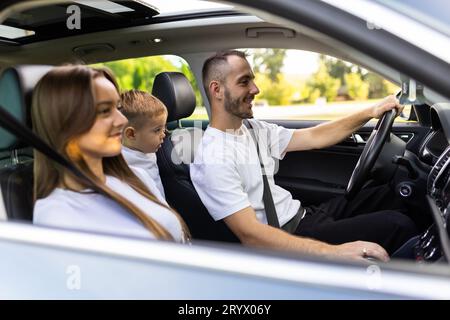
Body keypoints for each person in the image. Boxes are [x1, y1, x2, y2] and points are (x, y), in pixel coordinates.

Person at [191, 50, 418, 262]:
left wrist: (370, 112)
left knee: (398, 192)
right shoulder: (212, 157)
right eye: (244, 81)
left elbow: (313, 137)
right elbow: (252, 235)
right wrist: (336, 252)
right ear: (217, 89)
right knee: (398, 225)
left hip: (305, 214)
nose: (255, 89)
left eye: (252, 79)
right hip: (289, 235)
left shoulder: (251, 129)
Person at [32, 65, 190, 243]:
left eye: (118, 107)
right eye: (105, 111)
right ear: (64, 123)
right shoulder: (56, 215)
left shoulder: (138, 176)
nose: (122, 120)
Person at [120, 90, 167, 198]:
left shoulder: (145, 149)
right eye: (157, 130)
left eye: (164, 128)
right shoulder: (124, 165)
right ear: (131, 134)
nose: (163, 134)